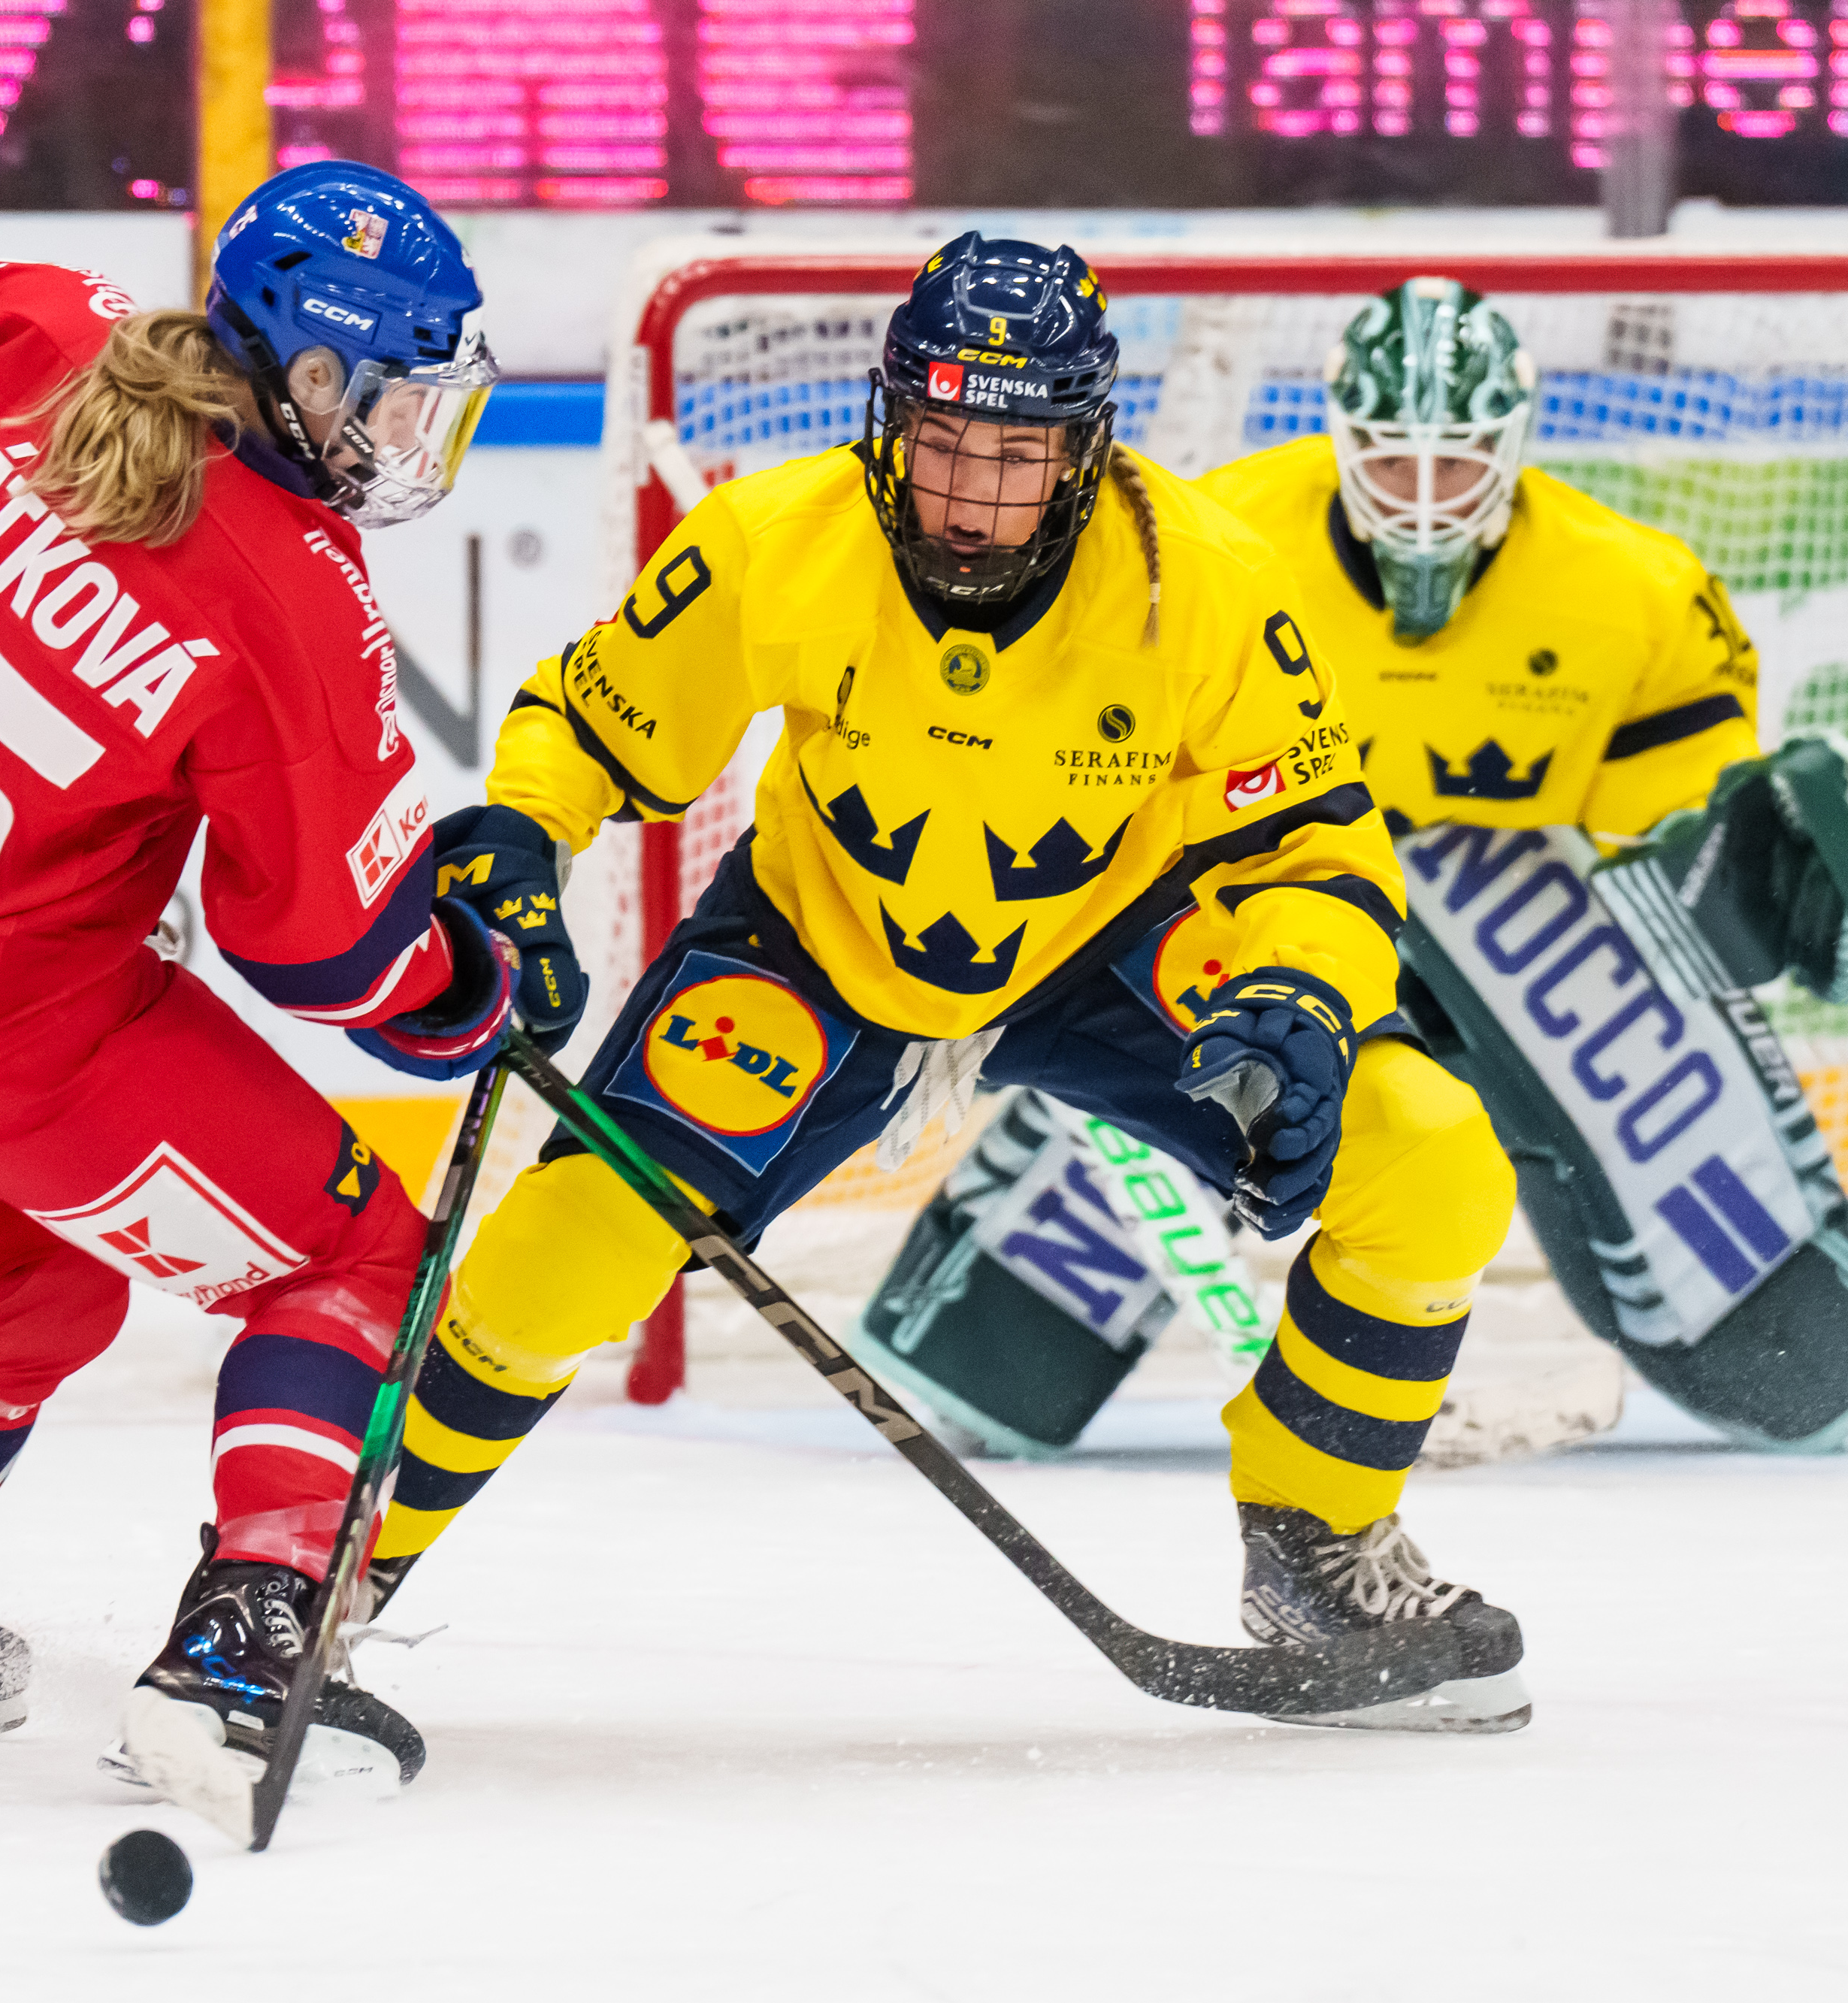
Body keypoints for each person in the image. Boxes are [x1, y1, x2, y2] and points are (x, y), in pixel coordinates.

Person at [370, 235, 1531, 1732]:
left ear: (1084, 447)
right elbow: (597, 725)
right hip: (821, 935)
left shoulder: (1210, 583)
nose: (967, 492)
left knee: (1427, 1154)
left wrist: (1302, 989)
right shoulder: (773, 540)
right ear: (884, 419)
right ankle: (309, 1582)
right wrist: (523, 833)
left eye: (1014, 449)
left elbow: (1313, 837)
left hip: (1107, 939)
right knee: (567, 1244)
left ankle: (1317, 1550)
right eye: (939, 441)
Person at [0, 162, 523, 1815]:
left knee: (28, 1295)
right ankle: (248, 1639)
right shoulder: (293, 593)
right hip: (5, 1019)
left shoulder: (25, 320)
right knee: (355, 1256)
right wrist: (478, 971)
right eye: (387, 397)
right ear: (304, 372)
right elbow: (340, 964)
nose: (402, 438)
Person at [1198, 278, 1848, 1451]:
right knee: (1168, 1026)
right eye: (1393, 464)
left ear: (1515, 446)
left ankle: (1752, 1287)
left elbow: (1676, 847)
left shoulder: (1630, 589)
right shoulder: (1217, 545)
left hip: (1500, 910)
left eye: (1459, 464)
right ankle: (1029, 1290)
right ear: (1338, 439)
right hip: (1273, 898)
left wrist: (1757, 851)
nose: (1427, 501)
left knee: (1551, 920)